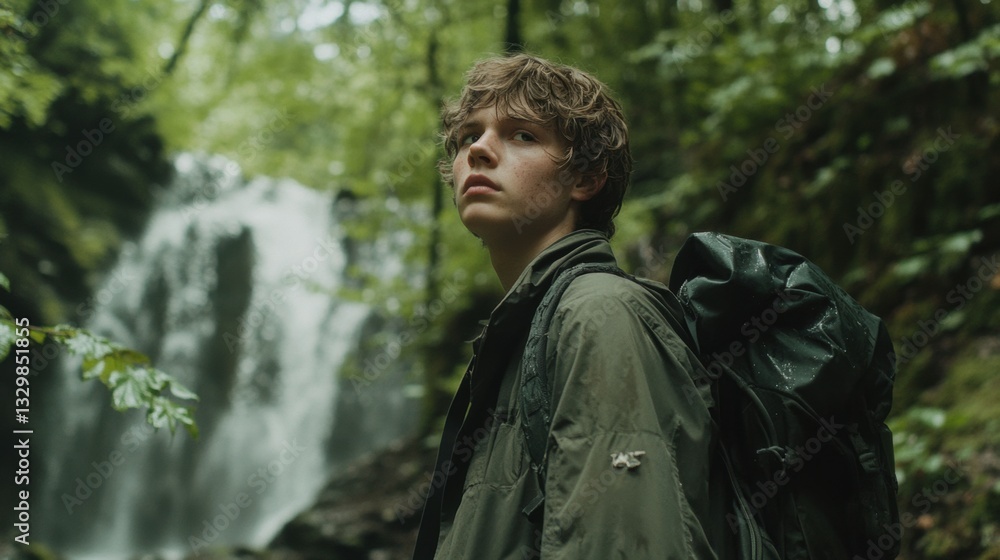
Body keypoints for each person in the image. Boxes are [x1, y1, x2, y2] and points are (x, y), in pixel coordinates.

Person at [412, 53, 730, 559]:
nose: (479, 150)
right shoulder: (527, 336)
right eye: (469, 135)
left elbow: (629, 545)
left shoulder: (598, 315)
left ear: (585, 178)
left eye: (522, 135)